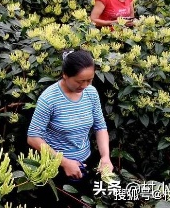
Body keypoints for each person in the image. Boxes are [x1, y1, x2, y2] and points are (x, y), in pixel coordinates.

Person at [27, 49, 114, 186]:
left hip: (85, 162)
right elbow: (33, 137)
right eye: (80, 81)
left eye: (89, 81)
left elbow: (100, 127)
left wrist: (105, 157)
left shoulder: (91, 93)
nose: (85, 86)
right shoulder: (49, 98)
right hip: (55, 168)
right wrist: (64, 162)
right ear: (65, 75)